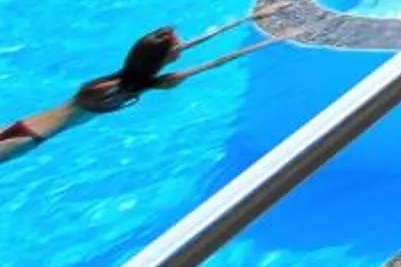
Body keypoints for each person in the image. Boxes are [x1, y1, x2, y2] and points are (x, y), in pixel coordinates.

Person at [0, 17, 269, 164]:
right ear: (163, 57)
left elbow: (197, 46)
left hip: (23, 125)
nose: (183, 46)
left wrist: (250, 19)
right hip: (32, 137)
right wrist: (270, 41)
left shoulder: (122, 78)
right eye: (178, 47)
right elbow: (216, 62)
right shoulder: (135, 86)